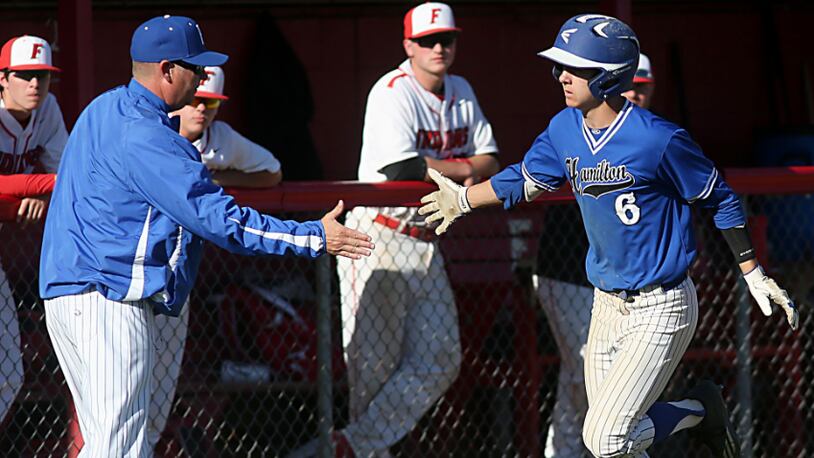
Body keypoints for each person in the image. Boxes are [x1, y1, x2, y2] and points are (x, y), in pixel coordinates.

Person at [419, 14, 798, 458]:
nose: (561, 75)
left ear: (607, 75)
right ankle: (699, 410)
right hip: (605, 302)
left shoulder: (657, 138)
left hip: (662, 303)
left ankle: (698, 408)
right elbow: (525, 178)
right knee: (615, 447)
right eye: (558, 65)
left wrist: (752, 272)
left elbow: (721, 198)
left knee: (604, 439)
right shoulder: (564, 128)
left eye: (573, 67)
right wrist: (464, 201)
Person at [38, 15, 373, 457]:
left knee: (110, 444)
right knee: (119, 447)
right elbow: (224, 223)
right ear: (167, 69)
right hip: (110, 301)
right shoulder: (149, 136)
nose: (200, 77)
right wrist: (313, 236)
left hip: (69, 297)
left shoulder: (103, 109)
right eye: (194, 67)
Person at [316, 3, 500, 457]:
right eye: (428, 40)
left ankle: (352, 445)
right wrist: (462, 169)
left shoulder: (461, 90)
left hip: (425, 239)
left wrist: (443, 168)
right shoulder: (392, 90)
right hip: (377, 235)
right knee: (372, 370)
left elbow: (492, 160)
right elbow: (400, 168)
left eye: (447, 39)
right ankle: (363, 447)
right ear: (408, 46)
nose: (439, 47)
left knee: (441, 360)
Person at [147, 65, 285, 450]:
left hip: (178, 275)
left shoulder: (219, 138)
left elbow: (271, 172)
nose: (202, 109)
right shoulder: (154, 129)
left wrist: (216, 180)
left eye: (211, 102)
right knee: (125, 385)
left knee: (161, 381)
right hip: (135, 268)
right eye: (196, 99)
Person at [534, 49, 658, 458]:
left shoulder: (651, 137)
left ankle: (569, 451)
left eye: (642, 87)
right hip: (567, 273)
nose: (635, 94)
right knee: (588, 377)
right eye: (629, 85)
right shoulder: (578, 127)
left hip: (626, 288)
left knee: (592, 381)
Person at [0, 34, 66, 429]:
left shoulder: (48, 109)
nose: (35, 86)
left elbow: (73, 177)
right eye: (24, 76)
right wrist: (38, 185)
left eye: (42, 76)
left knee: (8, 375)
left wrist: (39, 186)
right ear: (2, 78)